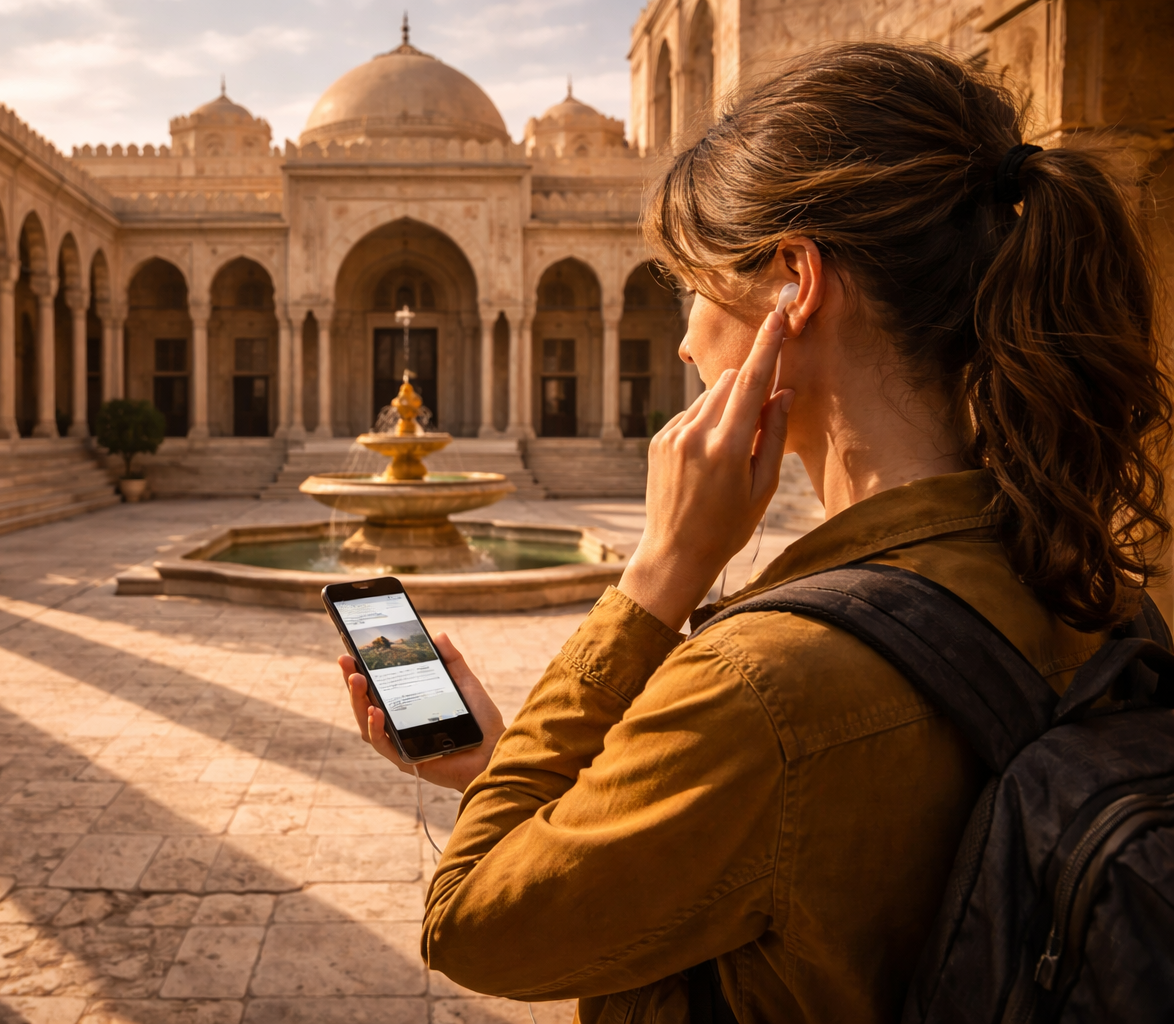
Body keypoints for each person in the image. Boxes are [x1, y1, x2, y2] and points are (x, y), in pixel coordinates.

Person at [336, 42, 1170, 1023]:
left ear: (795, 284)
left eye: (691, 282)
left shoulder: (762, 687)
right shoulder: (1091, 590)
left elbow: (471, 919)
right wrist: (502, 765)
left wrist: (655, 576)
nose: (684, 336)